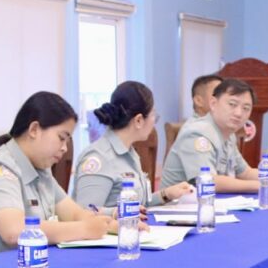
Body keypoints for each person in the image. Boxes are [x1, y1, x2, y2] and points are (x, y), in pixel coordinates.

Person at [0, 92, 112, 261]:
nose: (64, 148)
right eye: (61, 138)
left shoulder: (40, 168)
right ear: (34, 130)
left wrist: (102, 224)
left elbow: (74, 214)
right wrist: (84, 229)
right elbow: (14, 231)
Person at [161, 78, 268, 193]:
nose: (239, 113)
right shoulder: (197, 133)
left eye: (246, 108)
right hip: (176, 212)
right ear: (213, 103)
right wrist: (265, 185)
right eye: (232, 105)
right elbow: (210, 181)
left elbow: (245, 172)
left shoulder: (228, 134)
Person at [71, 81, 194, 210]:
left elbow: (138, 205)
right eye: (154, 116)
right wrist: (117, 213)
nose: (154, 123)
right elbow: (86, 212)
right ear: (139, 120)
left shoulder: (129, 152)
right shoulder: (99, 157)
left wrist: (166, 194)